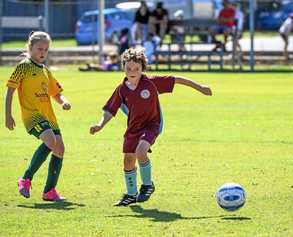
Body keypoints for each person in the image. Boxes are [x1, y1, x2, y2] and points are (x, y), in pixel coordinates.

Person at [89, 47, 212, 206]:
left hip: (152, 125)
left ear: (142, 69)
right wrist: (100, 125)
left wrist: (200, 87)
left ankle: (147, 185)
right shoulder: (121, 90)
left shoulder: (152, 83)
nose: (132, 71)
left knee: (141, 151)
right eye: (129, 68)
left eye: (136, 68)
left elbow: (176, 79)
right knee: (128, 160)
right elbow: (110, 110)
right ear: (123, 68)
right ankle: (131, 194)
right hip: (133, 128)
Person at [5, 31, 71, 202]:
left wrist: (64, 101)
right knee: (50, 141)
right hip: (32, 115)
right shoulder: (23, 67)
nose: (43, 52)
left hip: (49, 116)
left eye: (46, 50)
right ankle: (25, 179)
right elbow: (10, 90)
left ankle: (49, 191)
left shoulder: (45, 71)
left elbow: (56, 93)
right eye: (39, 49)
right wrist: (8, 115)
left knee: (60, 149)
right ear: (30, 47)